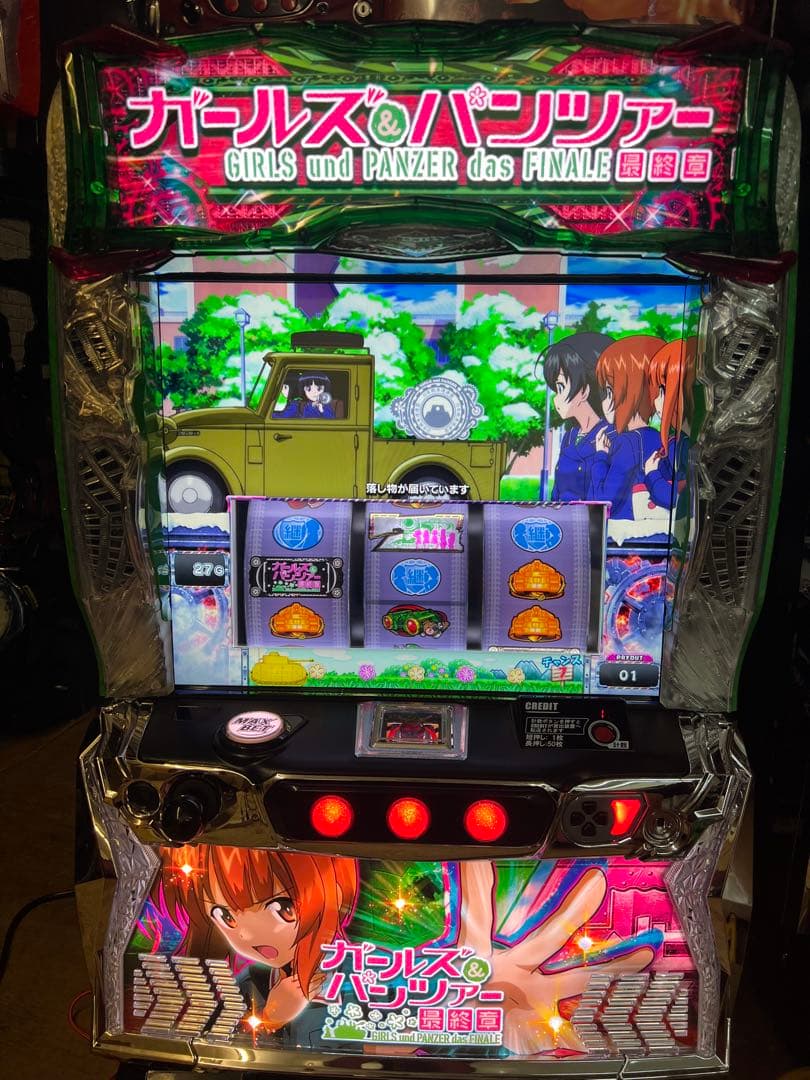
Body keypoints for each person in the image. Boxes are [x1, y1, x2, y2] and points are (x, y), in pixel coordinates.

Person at [158, 844, 358, 1033]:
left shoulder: (365, 975)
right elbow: (222, 1037)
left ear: (335, 896)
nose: (247, 935)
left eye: (283, 909)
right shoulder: (252, 981)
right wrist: (271, 1018)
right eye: (226, 917)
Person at [590, 335, 666, 520]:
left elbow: (603, 502)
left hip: (625, 533)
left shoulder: (627, 443)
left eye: (609, 391)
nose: (605, 402)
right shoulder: (658, 437)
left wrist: (601, 456)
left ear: (632, 391)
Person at [539, 332, 614, 501]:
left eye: (561, 387)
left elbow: (608, 496)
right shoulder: (570, 437)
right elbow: (557, 492)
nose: (556, 398)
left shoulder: (610, 436)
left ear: (584, 391)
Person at [644, 337, 696, 512]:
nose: (655, 402)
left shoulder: (685, 445)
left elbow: (675, 499)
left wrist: (652, 473)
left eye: (662, 392)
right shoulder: (677, 442)